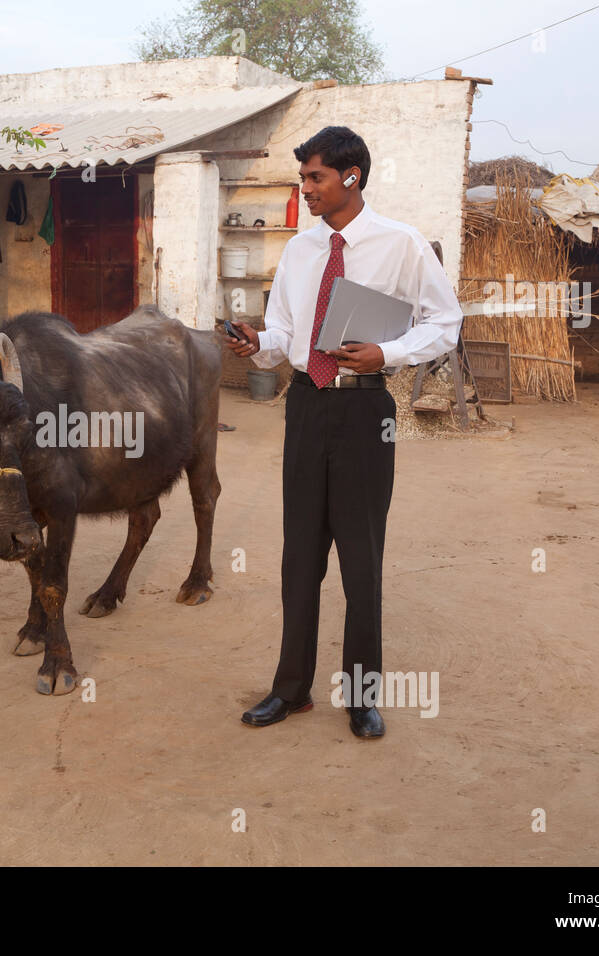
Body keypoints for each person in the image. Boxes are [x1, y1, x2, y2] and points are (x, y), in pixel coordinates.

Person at [224, 126, 462, 738]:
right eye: (303, 177)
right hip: (306, 407)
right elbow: (283, 334)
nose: (305, 188)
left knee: (361, 558)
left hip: (364, 416)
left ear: (351, 177)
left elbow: (446, 321)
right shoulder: (303, 251)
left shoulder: (402, 245)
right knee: (298, 558)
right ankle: (290, 689)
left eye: (315, 177)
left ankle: (361, 697)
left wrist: (389, 352)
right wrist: (259, 343)